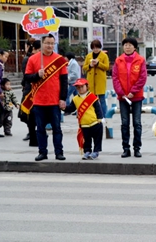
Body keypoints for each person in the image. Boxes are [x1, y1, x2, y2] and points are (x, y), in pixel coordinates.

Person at [23, 33, 68, 161]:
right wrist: (37, 75)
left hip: (54, 101)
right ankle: (42, 152)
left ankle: (59, 152)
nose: (50, 46)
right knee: (40, 129)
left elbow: (64, 81)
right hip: (39, 101)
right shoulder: (33, 59)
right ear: (42, 44)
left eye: (52, 43)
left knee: (57, 128)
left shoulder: (59, 60)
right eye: (47, 43)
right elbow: (27, 77)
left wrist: (63, 98)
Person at [112, 37, 147, 158]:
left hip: (136, 97)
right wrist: (121, 92)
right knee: (124, 123)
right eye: (125, 45)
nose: (127, 47)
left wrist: (133, 92)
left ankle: (137, 148)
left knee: (137, 123)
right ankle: (125, 148)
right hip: (123, 97)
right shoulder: (118, 60)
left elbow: (142, 78)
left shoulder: (140, 60)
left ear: (134, 47)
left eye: (130, 45)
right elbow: (115, 78)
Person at [64, 78, 104, 160]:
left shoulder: (92, 97)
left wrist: (100, 118)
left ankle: (96, 151)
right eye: (78, 87)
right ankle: (87, 151)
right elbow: (71, 109)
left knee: (97, 139)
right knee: (86, 139)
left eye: (82, 86)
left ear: (87, 86)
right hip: (84, 124)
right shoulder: (75, 99)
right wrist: (64, 108)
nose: (80, 89)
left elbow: (98, 109)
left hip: (95, 122)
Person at [83, 40, 110, 115]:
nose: (95, 49)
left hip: (100, 80)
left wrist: (98, 63)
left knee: (102, 99)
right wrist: (90, 65)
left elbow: (107, 67)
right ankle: (93, 115)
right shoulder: (88, 56)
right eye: (94, 48)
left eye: (97, 47)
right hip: (91, 81)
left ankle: (104, 116)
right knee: (92, 100)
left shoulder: (104, 56)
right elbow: (84, 67)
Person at [21, 39, 39, 146]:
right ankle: (32, 133)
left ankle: (35, 133)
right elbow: (26, 76)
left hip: (37, 90)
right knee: (28, 114)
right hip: (30, 90)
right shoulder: (28, 59)